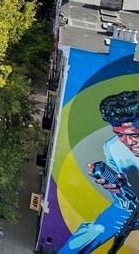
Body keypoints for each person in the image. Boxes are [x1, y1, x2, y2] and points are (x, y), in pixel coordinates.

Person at [59, 90, 139, 253]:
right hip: (130, 207)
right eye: (120, 135)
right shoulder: (112, 148)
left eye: (134, 135)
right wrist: (119, 189)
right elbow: (123, 201)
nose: (128, 142)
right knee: (93, 231)